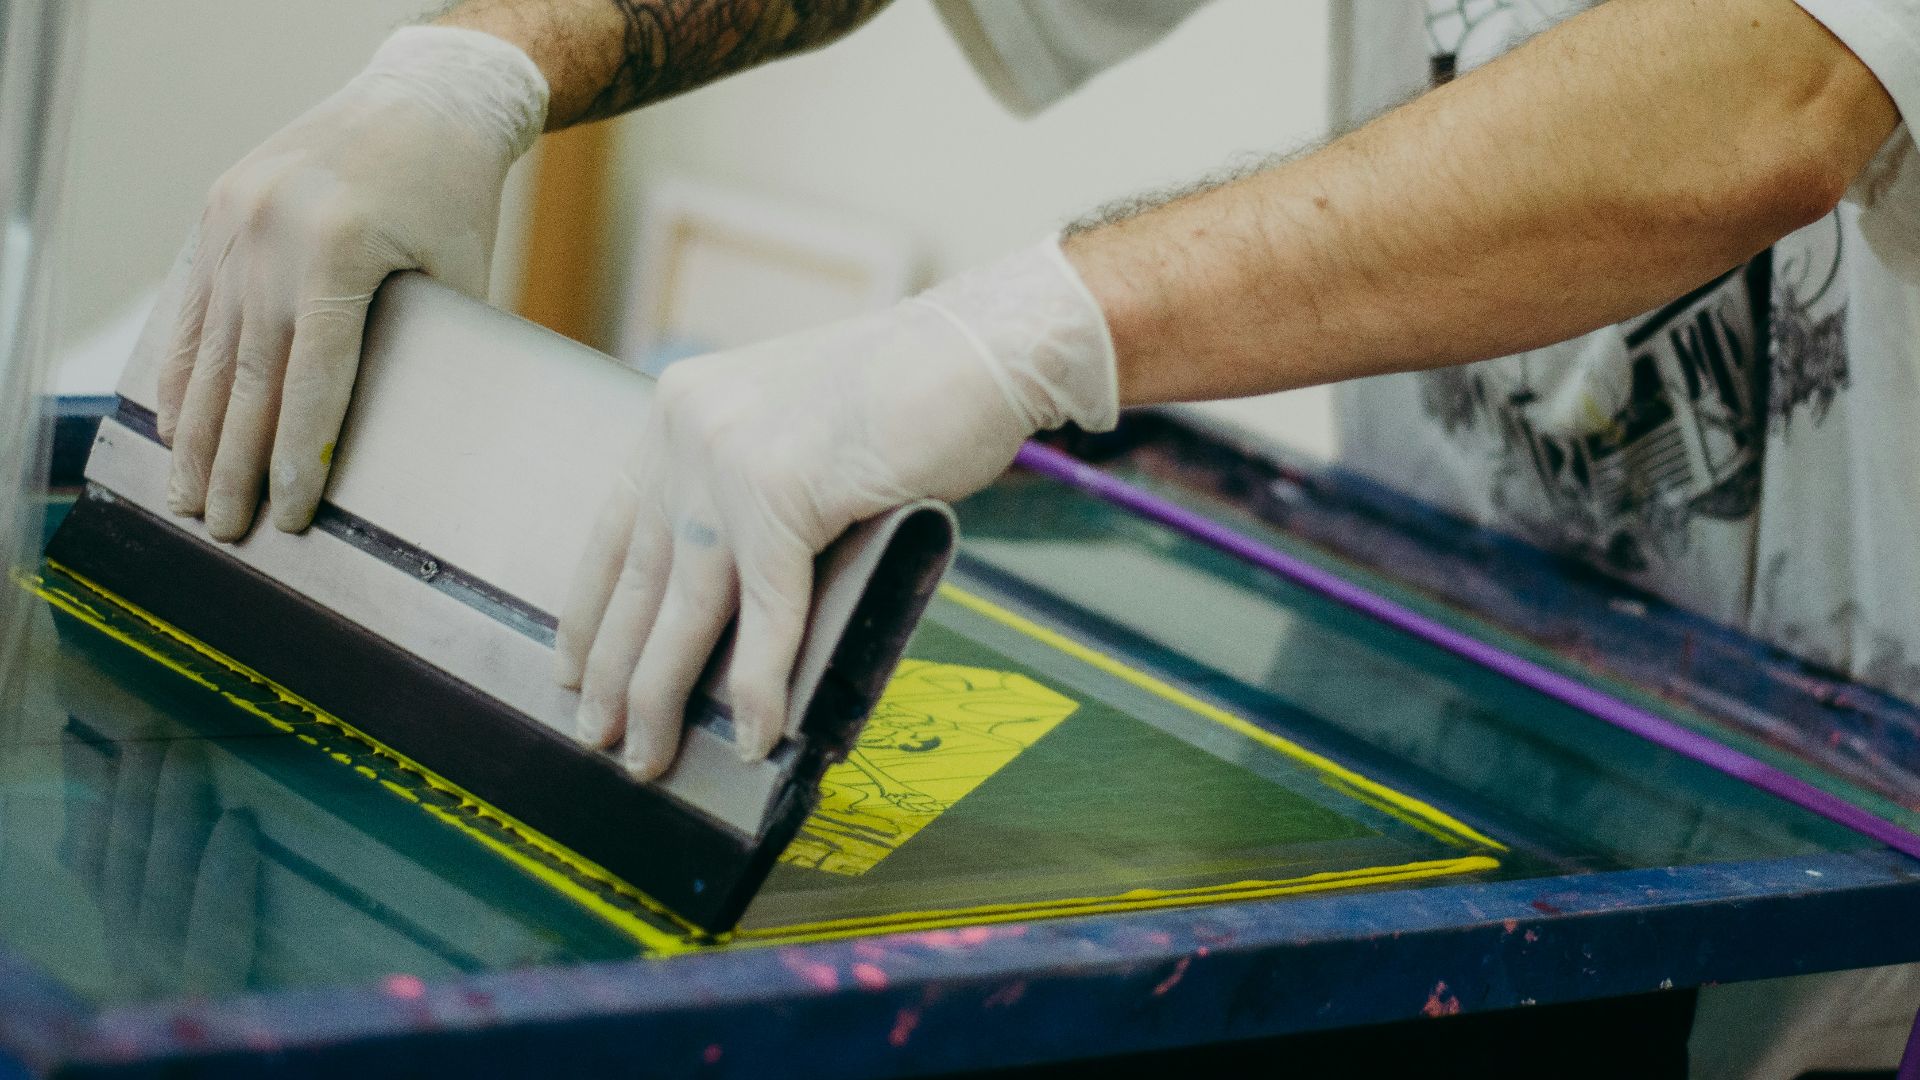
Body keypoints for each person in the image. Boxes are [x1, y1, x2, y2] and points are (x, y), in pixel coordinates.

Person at [140, 0, 1920, 1073]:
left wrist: (1023, 327)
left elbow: (1770, 87)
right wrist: (477, 67)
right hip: (1503, 722)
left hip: (1860, 794)